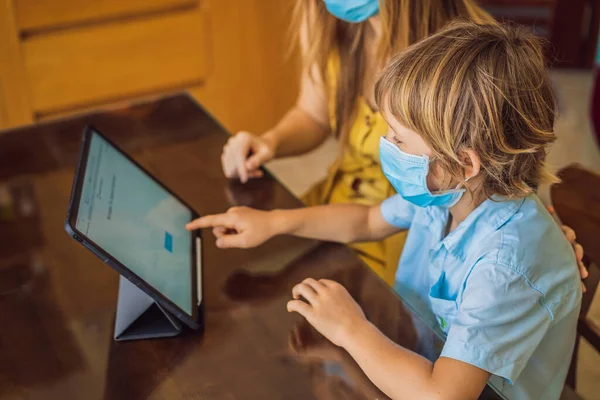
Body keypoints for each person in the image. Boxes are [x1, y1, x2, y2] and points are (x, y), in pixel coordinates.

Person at [189, 22, 582, 399]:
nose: (386, 145)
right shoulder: (447, 193)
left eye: (399, 139)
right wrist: (274, 222)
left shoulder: (505, 265)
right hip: (415, 358)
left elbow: (442, 394)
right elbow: (368, 220)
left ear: (464, 164)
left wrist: (351, 329)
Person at [220, 0, 494, 284]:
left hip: (409, 220)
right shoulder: (328, 24)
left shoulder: (470, 55)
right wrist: (270, 141)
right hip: (348, 209)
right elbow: (313, 114)